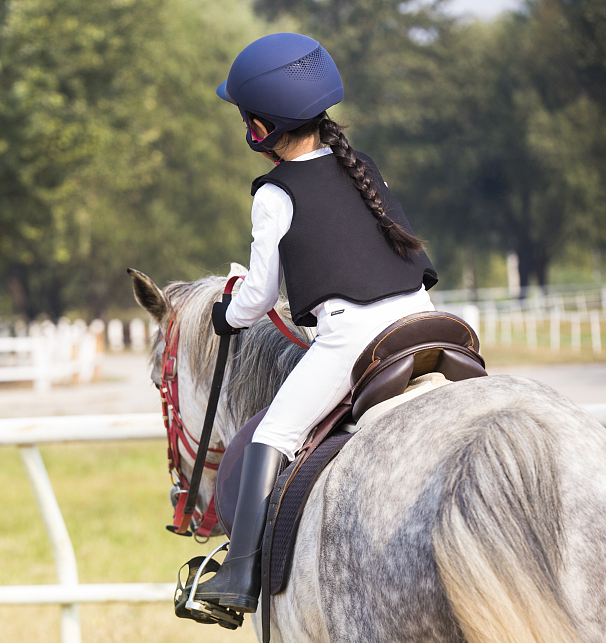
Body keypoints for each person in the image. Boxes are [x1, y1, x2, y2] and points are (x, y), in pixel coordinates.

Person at [187, 33, 438, 620]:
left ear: (259, 129)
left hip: (353, 338)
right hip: (422, 319)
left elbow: (261, 294)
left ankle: (238, 579)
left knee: (271, 438)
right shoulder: (363, 167)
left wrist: (227, 315)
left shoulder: (274, 193)